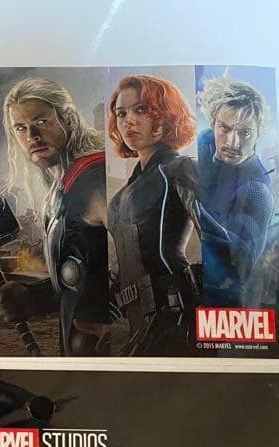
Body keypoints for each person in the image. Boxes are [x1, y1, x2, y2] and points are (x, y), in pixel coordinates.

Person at [0, 77, 110, 355]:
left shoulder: (95, 178)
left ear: (67, 119)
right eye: (21, 128)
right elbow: (81, 279)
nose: (32, 135)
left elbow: (135, 266)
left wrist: (117, 331)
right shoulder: (63, 188)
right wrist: (32, 298)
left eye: (41, 121)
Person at [107, 74, 201, 356]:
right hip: (137, 323)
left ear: (164, 115)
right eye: (121, 113)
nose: (128, 121)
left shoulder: (181, 168)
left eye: (140, 109)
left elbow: (221, 246)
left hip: (175, 316)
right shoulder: (122, 194)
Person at [195, 75, 275, 306]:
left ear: (258, 133)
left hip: (223, 299)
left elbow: (241, 265)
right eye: (225, 128)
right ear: (213, 122)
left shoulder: (257, 192)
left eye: (245, 133)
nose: (232, 143)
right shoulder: (205, 142)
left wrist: (194, 210)